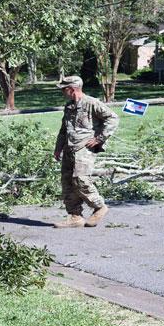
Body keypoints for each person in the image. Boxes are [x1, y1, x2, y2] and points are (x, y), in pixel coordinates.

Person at [53, 76, 119, 228]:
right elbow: (64, 129)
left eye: (64, 89)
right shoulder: (69, 106)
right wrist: (58, 147)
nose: (63, 92)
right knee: (67, 181)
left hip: (85, 148)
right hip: (70, 148)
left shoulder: (91, 103)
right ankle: (75, 216)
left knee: (80, 179)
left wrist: (100, 138)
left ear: (72, 89)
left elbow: (113, 118)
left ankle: (99, 206)